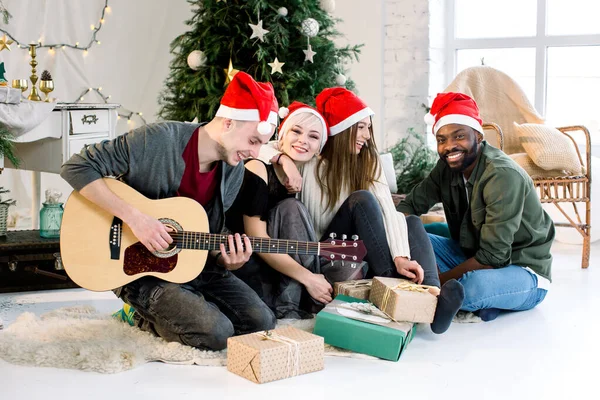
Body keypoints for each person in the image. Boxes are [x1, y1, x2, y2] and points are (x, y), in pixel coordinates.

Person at [60, 72, 278, 350]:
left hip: (192, 266)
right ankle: (139, 314)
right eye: (253, 141)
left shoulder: (232, 169)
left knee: (262, 323)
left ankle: (183, 307)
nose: (256, 153)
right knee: (216, 334)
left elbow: (208, 233)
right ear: (228, 123)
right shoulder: (157, 140)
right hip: (138, 269)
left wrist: (227, 260)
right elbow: (76, 167)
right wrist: (135, 218)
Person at [263, 88, 465, 334]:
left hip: (353, 245)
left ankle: (433, 297)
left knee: (409, 221)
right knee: (361, 199)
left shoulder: (368, 161)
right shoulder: (310, 153)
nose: (367, 136)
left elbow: (389, 211)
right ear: (341, 128)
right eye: (360, 127)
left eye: (368, 128)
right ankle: (394, 291)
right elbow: (258, 146)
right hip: (321, 251)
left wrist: (401, 256)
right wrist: (284, 161)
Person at [397, 92, 554, 322]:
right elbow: (409, 205)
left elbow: (493, 257)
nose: (450, 146)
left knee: (473, 287)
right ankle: (486, 304)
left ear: (478, 136)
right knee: (414, 234)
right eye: (442, 139)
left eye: (459, 136)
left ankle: (475, 298)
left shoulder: (502, 175)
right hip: (471, 254)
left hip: (520, 268)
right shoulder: (446, 167)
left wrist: (437, 281)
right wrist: (398, 247)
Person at [227, 102, 349, 319]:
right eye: (296, 131)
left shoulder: (302, 175)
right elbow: (257, 239)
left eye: (313, 137)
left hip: (282, 265)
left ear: (319, 148)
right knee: (290, 207)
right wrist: (309, 278)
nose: (303, 140)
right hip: (248, 260)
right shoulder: (258, 166)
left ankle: (306, 299)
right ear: (281, 136)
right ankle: (295, 305)